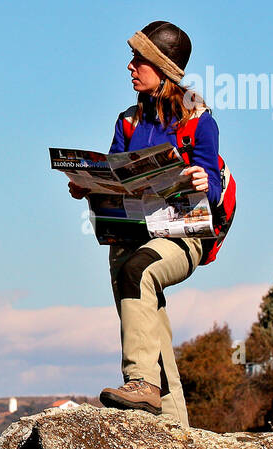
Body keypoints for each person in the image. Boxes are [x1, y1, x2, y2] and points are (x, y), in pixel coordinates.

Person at [68, 21, 221, 427]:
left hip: (182, 236)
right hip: (129, 233)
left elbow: (215, 184)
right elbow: (116, 173)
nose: (130, 67)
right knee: (146, 321)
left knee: (139, 273)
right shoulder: (127, 122)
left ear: (162, 68)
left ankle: (139, 382)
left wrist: (206, 181)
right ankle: (174, 426)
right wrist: (88, 187)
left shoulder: (199, 118)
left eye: (139, 60)